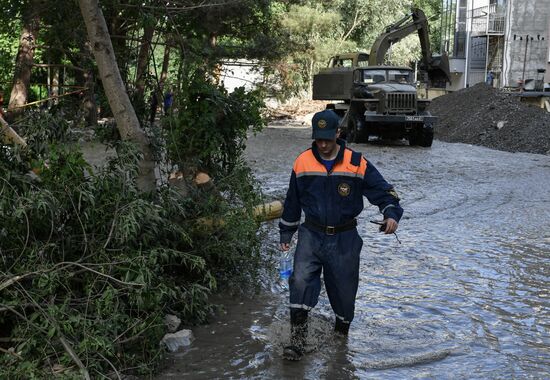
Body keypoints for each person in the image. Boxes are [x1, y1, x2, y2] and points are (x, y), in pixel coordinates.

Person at [278, 109, 403, 361]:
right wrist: (286, 233)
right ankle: (297, 341)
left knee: (345, 296)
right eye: (318, 139)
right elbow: (292, 201)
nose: (322, 144)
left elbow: (384, 191)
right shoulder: (302, 162)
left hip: (345, 239)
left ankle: (340, 340)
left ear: (338, 133)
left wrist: (391, 214)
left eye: (327, 138)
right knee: (300, 281)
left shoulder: (357, 163)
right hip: (311, 235)